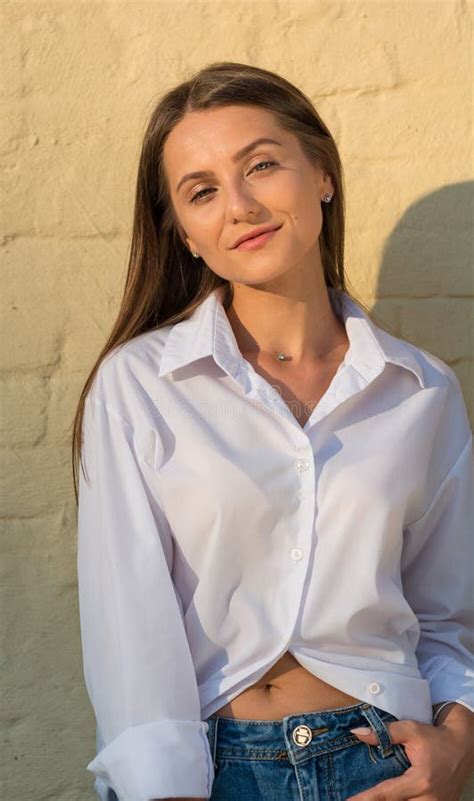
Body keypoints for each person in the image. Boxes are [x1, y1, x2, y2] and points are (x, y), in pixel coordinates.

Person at [72, 62, 474, 801]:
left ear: (321, 173)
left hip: (385, 762)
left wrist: (458, 741)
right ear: (186, 234)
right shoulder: (138, 388)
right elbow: (128, 628)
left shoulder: (423, 392)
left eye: (261, 164)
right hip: (219, 770)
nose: (240, 206)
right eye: (202, 191)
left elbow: (448, 613)